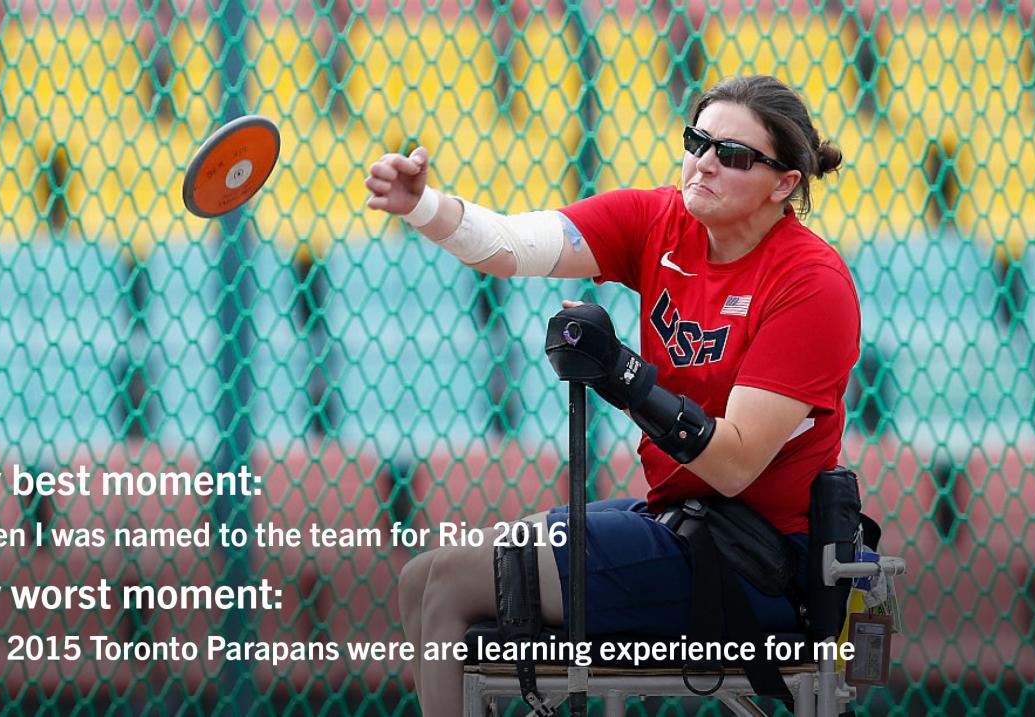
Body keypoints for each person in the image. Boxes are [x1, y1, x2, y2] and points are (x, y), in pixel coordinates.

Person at [365, 74, 858, 715]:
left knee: (455, 584)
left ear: (785, 183)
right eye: (696, 141)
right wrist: (423, 206)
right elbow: (511, 247)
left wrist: (623, 376)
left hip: (761, 556)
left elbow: (736, 466)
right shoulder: (659, 220)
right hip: (684, 519)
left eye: (732, 156)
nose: (703, 164)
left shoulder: (811, 283)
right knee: (418, 577)